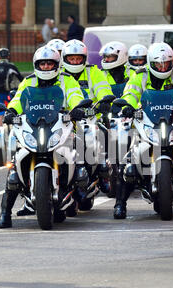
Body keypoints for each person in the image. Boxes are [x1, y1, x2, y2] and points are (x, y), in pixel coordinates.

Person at [0, 46, 85, 228]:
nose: (45, 67)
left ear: (56, 65)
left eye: (49, 63)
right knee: (15, 164)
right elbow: (18, 99)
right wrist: (11, 111)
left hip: (61, 124)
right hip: (34, 126)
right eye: (42, 64)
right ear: (37, 65)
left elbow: (75, 95)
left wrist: (77, 108)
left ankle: (78, 189)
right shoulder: (28, 82)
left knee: (77, 150)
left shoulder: (66, 80)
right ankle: (5, 213)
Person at [113, 42, 173, 219]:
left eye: (166, 64)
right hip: (146, 119)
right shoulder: (140, 75)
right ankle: (120, 203)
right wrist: (128, 107)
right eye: (158, 65)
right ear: (150, 64)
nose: (162, 68)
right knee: (127, 156)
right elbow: (130, 93)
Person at [61, 39, 114, 194]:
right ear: (65, 59)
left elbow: (103, 88)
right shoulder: (58, 75)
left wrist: (105, 100)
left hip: (89, 116)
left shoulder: (93, 72)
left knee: (102, 133)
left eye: (78, 59)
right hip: (64, 119)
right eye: (72, 59)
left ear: (84, 59)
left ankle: (102, 173)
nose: (75, 62)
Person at [0, 48, 24, 126]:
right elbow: (20, 78)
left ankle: (0, 130)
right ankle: (14, 128)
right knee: (13, 109)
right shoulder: (11, 66)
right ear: (8, 56)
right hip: (8, 92)